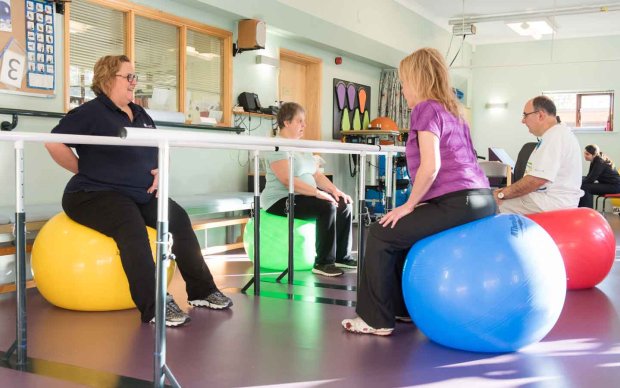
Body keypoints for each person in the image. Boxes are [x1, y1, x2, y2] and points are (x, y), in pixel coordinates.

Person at [45, 55, 232, 328]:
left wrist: (160, 170)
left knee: (178, 218)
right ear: (108, 78)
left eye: (135, 77)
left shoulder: (140, 113)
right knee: (130, 226)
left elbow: (158, 148)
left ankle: (202, 291)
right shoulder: (91, 112)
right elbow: (53, 143)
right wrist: (84, 170)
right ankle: (155, 305)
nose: (134, 82)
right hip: (93, 193)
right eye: (129, 76)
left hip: (139, 191)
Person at [341, 47, 496, 336]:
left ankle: (376, 319)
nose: (402, 89)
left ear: (419, 79)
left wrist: (409, 204)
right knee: (401, 233)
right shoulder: (454, 111)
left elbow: (431, 166)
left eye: (404, 81)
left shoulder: (425, 108)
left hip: (457, 202)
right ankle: (402, 310)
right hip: (482, 200)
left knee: (380, 232)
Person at [261, 102, 356, 277]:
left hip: (304, 196)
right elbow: (286, 180)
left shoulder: (301, 147)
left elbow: (317, 175)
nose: (304, 125)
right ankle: (323, 263)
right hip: (281, 199)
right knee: (326, 206)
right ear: (287, 122)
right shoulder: (275, 146)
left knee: (344, 203)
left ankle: (342, 256)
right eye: (300, 121)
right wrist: (318, 193)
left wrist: (335, 191)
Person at [494, 96, 582, 214]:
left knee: (490, 206)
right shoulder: (556, 134)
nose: (523, 121)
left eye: (525, 115)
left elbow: (536, 180)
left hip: (551, 203)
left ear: (540, 115)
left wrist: (502, 194)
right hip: (549, 200)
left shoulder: (555, 136)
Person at [579, 144, 620, 208]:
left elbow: (591, 179)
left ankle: (586, 212)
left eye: (587, 154)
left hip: (614, 186)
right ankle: (582, 210)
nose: (585, 156)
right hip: (607, 184)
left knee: (585, 187)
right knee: (582, 181)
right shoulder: (595, 160)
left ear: (594, 154)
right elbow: (589, 176)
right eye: (584, 153)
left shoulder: (600, 161)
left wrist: (578, 182)